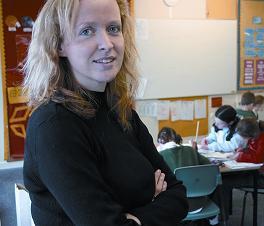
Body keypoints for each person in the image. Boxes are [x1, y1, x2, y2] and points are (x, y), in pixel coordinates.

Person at [22, 1, 188, 225]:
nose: (107, 43)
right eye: (87, 31)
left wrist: (134, 218)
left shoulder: (121, 113)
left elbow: (178, 196)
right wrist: (150, 202)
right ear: (59, 44)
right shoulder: (54, 125)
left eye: (113, 28)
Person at [223, 118, 264, 215]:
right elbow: (251, 150)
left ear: (251, 135)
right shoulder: (257, 136)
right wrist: (241, 151)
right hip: (254, 173)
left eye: (243, 137)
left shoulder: (263, 139)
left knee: (224, 183)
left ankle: (222, 217)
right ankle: (223, 213)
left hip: (262, 179)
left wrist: (239, 156)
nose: (242, 139)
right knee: (224, 178)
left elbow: (257, 158)